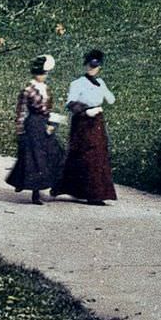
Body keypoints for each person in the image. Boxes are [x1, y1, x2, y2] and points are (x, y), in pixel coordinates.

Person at [53, 49, 116, 205]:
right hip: (83, 121)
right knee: (84, 155)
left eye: (95, 66)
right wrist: (86, 111)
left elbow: (111, 99)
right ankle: (89, 194)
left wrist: (102, 90)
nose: (92, 69)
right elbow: (71, 103)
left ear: (99, 67)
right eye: (89, 65)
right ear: (85, 65)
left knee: (98, 155)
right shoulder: (78, 83)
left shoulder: (100, 83)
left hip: (97, 122)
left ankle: (96, 193)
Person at [6, 54, 66, 205]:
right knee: (36, 158)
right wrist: (20, 131)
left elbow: (48, 108)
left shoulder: (45, 88)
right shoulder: (28, 90)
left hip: (45, 123)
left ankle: (53, 186)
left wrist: (53, 122)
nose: (43, 76)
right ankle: (35, 193)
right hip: (33, 125)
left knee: (55, 153)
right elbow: (21, 111)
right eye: (41, 74)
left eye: (44, 74)